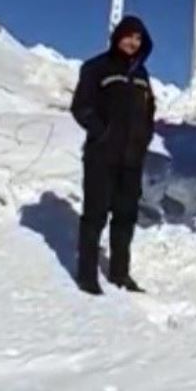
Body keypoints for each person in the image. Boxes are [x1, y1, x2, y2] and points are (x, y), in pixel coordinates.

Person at [70, 15, 156, 295]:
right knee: (95, 216)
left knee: (125, 217)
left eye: (138, 38)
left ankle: (120, 274)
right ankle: (87, 276)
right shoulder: (96, 68)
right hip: (101, 157)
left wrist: (144, 139)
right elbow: (81, 107)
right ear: (118, 36)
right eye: (129, 36)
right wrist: (101, 132)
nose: (133, 42)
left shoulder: (142, 75)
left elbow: (149, 112)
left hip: (131, 160)